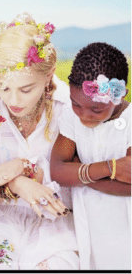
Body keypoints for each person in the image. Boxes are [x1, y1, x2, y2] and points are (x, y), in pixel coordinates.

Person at [0, 13, 79, 270]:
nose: (13, 101)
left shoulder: (73, 110)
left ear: (49, 75)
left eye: (26, 89)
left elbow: (82, 190)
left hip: (57, 229)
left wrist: (30, 171)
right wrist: (15, 183)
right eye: (3, 87)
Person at [50, 42, 131, 270]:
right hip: (90, 221)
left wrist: (82, 174)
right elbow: (58, 171)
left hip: (126, 223)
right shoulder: (71, 118)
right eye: (76, 104)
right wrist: (111, 168)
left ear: (119, 94)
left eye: (96, 110)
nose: (84, 116)